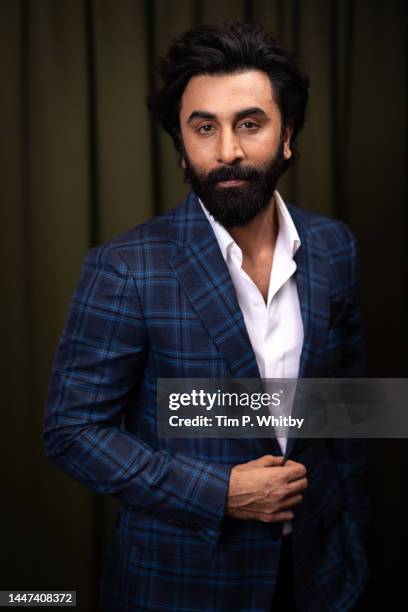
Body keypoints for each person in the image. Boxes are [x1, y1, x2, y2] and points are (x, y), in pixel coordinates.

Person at [44, 23, 369, 612]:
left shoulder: (335, 246)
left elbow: (348, 406)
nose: (228, 152)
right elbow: (71, 433)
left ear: (287, 134)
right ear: (182, 145)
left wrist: (350, 540)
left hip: (320, 577)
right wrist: (220, 492)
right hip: (181, 585)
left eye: (250, 123)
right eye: (204, 128)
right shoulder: (125, 268)